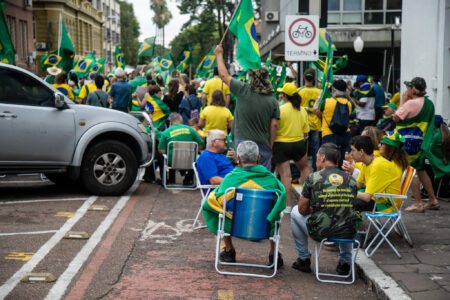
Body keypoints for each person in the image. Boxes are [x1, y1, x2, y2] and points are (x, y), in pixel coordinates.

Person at [202, 141, 286, 265]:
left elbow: (213, 202)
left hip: (234, 225)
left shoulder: (230, 179)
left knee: (218, 209)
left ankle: (229, 250)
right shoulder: (271, 180)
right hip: (264, 226)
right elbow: (280, 201)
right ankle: (274, 254)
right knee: (275, 213)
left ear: (238, 159)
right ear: (258, 158)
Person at [290, 143, 358, 275]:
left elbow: (302, 209)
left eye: (316, 157)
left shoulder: (313, 178)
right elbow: (350, 207)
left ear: (322, 158)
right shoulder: (351, 180)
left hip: (321, 232)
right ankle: (345, 262)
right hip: (347, 233)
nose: (316, 160)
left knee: (294, 212)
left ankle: (303, 258)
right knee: (345, 218)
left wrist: (316, 208)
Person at [214, 44, 280, 170]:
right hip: (263, 145)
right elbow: (274, 125)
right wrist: (270, 145)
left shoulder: (243, 90)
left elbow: (224, 76)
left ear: (252, 79)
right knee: (262, 178)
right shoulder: (273, 100)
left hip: (242, 143)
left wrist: (219, 54)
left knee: (243, 176)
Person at [393, 77, 440, 212]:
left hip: (409, 142)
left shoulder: (410, 104)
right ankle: (433, 200)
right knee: (420, 170)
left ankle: (418, 203)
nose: (406, 90)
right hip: (421, 141)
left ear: (413, 89)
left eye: (408, 87)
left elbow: (396, 118)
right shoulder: (429, 103)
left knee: (410, 170)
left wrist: (403, 101)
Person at [343, 135, 402, 213]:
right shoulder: (367, 162)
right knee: (343, 198)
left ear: (361, 152)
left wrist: (345, 192)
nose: (351, 154)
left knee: (346, 201)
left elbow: (366, 197)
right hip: (377, 198)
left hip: (387, 204)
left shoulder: (378, 165)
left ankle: (347, 223)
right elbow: (359, 184)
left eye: (353, 150)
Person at [275, 82, 311, 208]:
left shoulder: (280, 109)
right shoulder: (302, 110)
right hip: (299, 143)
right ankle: (306, 201)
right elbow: (306, 132)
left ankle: (288, 206)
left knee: (286, 175)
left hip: (281, 145)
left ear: (284, 96)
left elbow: (275, 127)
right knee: (305, 169)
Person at [158, 113, 204, 185]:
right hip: (190, 161)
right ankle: (188, 178)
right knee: (198, 156)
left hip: (172, 161)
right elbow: (201, 145)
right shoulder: (191, 130)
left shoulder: (166, 132)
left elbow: (161, 151)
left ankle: (168, 179)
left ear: (171, 122)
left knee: (162, 156)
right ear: (181, 120)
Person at [317, 79, 353, 167]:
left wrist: (320, 96)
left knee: (329, 161)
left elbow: (315, 109)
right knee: (344, 163)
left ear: (333, 90)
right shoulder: (349, 104)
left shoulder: (327, 101)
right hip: (345, 135)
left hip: (329, 134)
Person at [298, 68, 322, 171]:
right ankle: (315, 169)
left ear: (304, 77)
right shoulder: (320, 92)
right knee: (315, 149)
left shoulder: (299, 91)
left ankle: (302, 170)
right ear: (314, 78)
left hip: (303, 124)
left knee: (302, 149)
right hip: (316, 124)